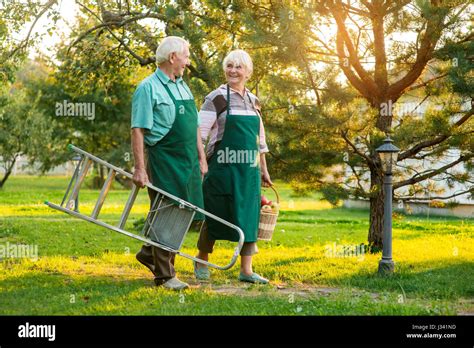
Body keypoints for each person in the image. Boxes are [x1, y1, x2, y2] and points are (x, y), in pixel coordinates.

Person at [131, 36, 207, 290]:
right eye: (185, 56)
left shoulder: (183, 86)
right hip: (164, 157)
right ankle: (165, 275)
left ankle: (148, 252)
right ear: (173, 57)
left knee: (184, 210)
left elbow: (194, 125)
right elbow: (138, 130)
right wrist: (140, 168)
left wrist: (201, 156)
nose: (187, 61)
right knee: (167, 209)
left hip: (188, 158)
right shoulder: (148, 88)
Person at [195, 49, 272, 284]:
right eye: (229, 66)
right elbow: (198, 132)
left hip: (249, 170)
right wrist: (201, 161)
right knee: (215, 212)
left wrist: (264, 170)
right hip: (222, 167)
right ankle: (201, 259)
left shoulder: (254, 100)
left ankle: (246, 270)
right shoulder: (215, 97)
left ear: (247, 72)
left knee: (250, 215)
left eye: (238, 67)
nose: (233, 71)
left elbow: (260, 141)